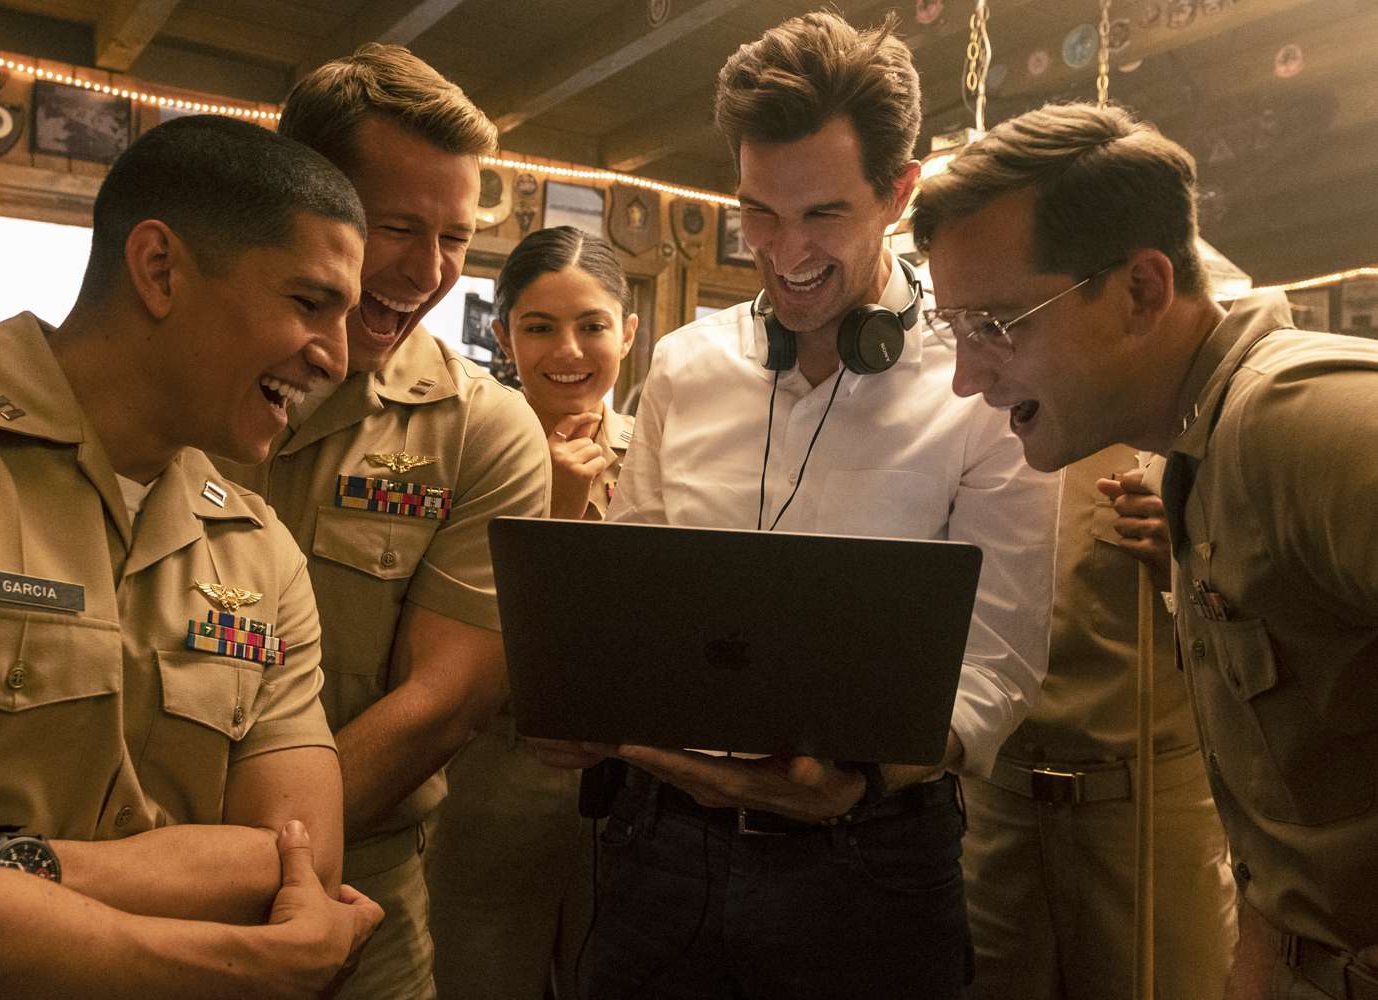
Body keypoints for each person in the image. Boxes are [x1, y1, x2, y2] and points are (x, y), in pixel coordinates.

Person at [533, 13, 1059, 998]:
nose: (785, 252)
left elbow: (999, 663)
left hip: (871, 868)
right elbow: (638, 601)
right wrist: (593, 705)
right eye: (758, 215)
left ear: (898, 193)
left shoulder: (981, 385)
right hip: (657, 852)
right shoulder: (686, 370)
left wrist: (865, 775)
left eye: (822, 214)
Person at [0, 115, 382, 998]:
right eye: (309, 303)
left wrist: (5, 865)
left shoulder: (260, 552)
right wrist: (236, 956)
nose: (337, 357)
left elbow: (299, 860)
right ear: (159, 270)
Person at [914, 101, 1378, 1000]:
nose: (969, 378)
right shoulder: (1208, 455)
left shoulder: (1296, 422)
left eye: (999, 326)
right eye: (956, 331)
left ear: (1140, 292)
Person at [220, 44, 551, 1000]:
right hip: (120, 872)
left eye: (455, 237)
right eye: (397, 227)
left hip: (363, 893)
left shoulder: (481, 428)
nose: (428, 271)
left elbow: (442, 703)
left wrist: (242, 866)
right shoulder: (192, 375)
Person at [425, 225, 636, 999]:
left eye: (592, 325)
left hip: (629, 797)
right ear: (503, 334)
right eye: (539, 327)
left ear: (629, 330)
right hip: (487, 785)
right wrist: (550, 505)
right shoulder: (463, 449)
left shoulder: (663, 453)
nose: (568, 350)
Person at [961, 445, 1237, 999]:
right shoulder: (971, 429)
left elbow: (1276, 630)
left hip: (1152, 817)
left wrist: (1183, 564)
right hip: (989, 810)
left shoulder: (1186, 432)